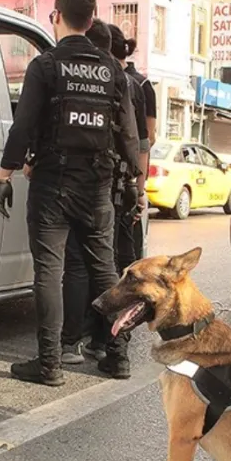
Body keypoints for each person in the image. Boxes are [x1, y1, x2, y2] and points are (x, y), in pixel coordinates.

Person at [0, 0, 141, 387]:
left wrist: (5, 173)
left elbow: (24, 125)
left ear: (55, 16)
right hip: (98, 187)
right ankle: (118, 356)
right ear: (92, 19)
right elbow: (128, 133)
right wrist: (135, 182)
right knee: (104, 269)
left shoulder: (45, 65)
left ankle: (50, 363)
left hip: (52, 185)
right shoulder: (112, 68)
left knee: (49, 272)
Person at [60, 20, 147, 378]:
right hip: (116, 187)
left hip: (95, 185)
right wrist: (138, 186)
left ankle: (73, 342)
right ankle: (111, 346)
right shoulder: (130, 83)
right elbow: (138, 140)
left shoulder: (90, 78)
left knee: (83, 266)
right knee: (110, 268)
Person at [122, 38, 158, 260]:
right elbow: (149, 139)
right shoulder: (139, 83)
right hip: (133, 177)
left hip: (130, 177)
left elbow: (148, 138)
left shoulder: (141, 85)